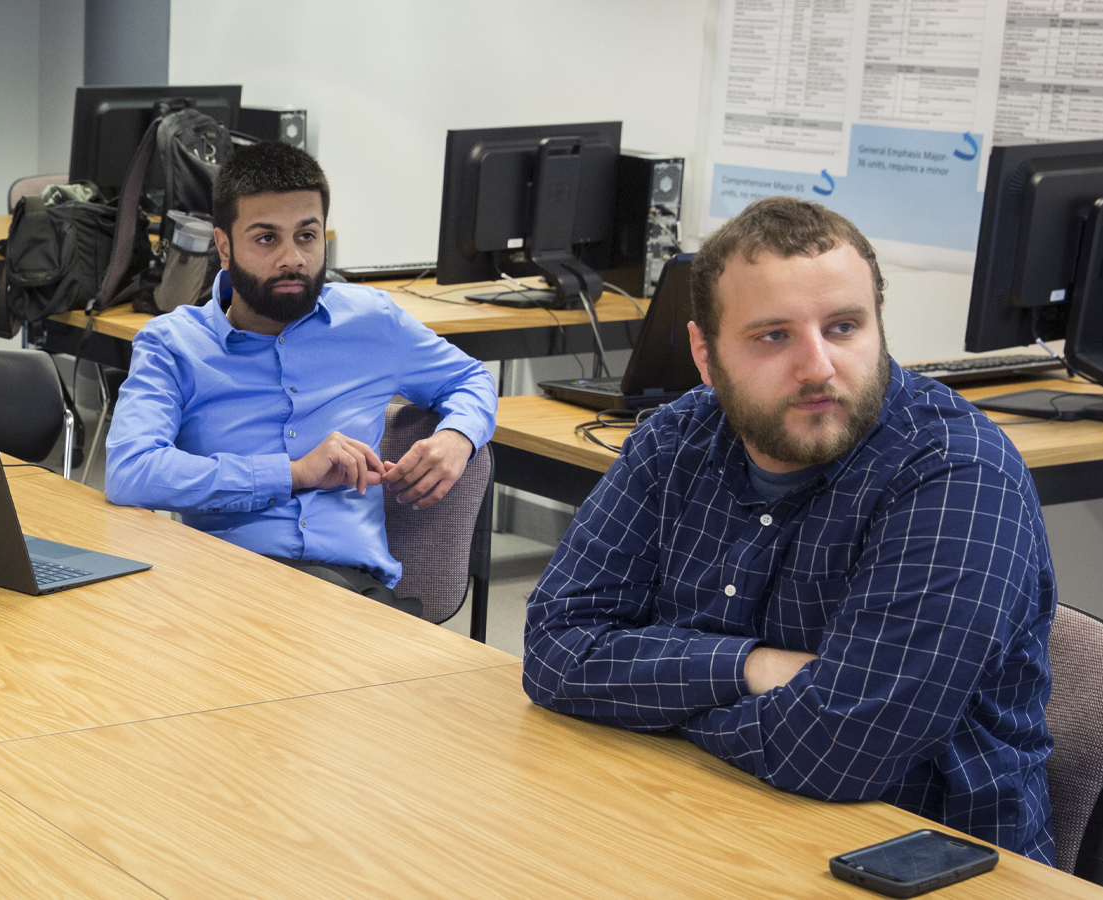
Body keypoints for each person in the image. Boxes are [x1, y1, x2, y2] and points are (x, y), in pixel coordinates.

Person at [521, 196, 1055, 860]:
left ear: (879, 325)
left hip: (913, 856)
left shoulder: (958, 476)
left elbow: (843, 751)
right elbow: (555, 649)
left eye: (844, 327)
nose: (818, 367)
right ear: (705, 353)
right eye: (774, 335)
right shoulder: (676, 440)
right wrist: (754, 668)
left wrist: (654, 697)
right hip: (701, 820)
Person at [103, 141, 498, 610]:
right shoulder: (173, 344)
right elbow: (131, 471)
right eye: (267, 238)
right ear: (224, 247)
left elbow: (471, 378)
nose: (293, 258)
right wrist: (291, 474)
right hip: (220, 588)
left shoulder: (374, 322)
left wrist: (457, 437)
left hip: (349, 593)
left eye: (306, 236)